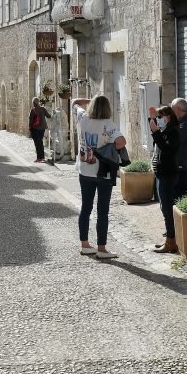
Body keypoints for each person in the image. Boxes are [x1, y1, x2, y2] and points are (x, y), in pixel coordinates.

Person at [72, 96, 126, 259]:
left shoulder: (82, 117)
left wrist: (90, 99)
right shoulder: (108, 124)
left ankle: (85, 245)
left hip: (85, 170)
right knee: (102, 211)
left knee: (86, 208)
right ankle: (102, 248)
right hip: (103, 172)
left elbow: (74, 102)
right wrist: (108, 147)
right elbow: (121, 142)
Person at [149, 104, 181, 253]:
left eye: (160, 117)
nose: (159, 120)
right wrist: (153, 124)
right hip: (162, 174)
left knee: (167, 208)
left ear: (168, 117)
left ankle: (171, 241)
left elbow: (168, 150)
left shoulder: (173, 131)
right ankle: (169, 238)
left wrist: (156, 133)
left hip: (168, 175)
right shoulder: (166, 130)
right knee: (164, 207)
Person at [171, 97, 187, 199]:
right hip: (179, 167)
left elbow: (173, 141)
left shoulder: (186, 124)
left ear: (177, 110)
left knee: (178, 197)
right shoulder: (181, 122)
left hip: (181, 168)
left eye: (172, 109)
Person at [28, 97, 51, 162]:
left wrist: (30, 129)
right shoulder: (43, 109)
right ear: (38, 102)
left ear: (33, 103)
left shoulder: (33, 110)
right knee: (40, 142)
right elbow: (49, 116)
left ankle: (39, 158)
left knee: (37, 143)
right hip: (42, 128)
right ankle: (42, 157)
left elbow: (30, 121)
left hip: (35, 129)